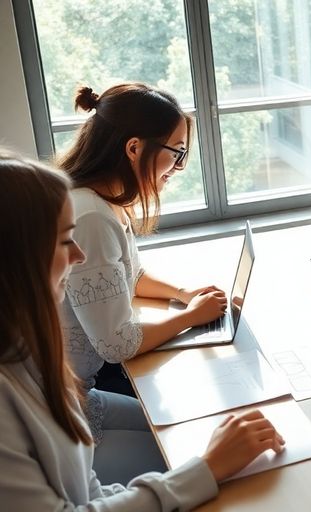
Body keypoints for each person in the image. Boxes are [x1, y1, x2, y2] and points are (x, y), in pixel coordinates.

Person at [0, 151, 285, 510]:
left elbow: (88, 490)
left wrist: (201, 470)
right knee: (185, 451)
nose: (79, 257)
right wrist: (205, 470)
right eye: (63, 241)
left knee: (185, 432)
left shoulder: (28, 347)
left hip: (90, 405)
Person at [57, 83, 229, 483]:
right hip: (61, 403)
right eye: (177, 152)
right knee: (182, 451)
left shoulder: (104, 201)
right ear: (134, 148)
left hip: (79, 390)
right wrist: (190, 317)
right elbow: (117, 343)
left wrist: (184, 295)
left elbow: (128, 278)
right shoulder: (92, 217)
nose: (179, 166)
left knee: (185, 430)